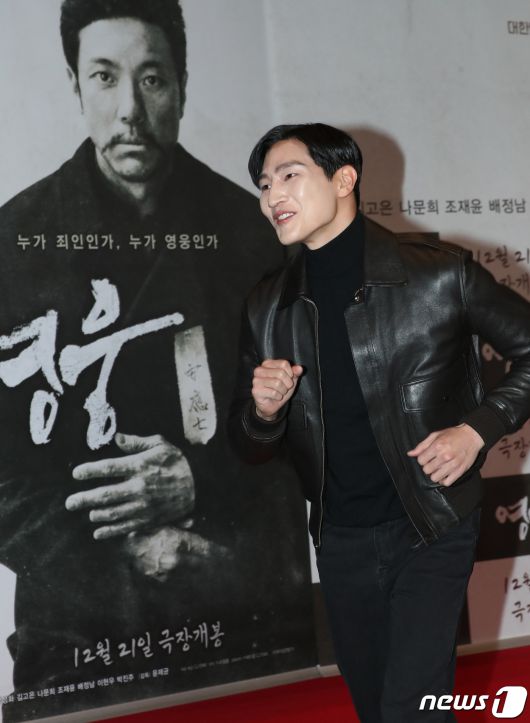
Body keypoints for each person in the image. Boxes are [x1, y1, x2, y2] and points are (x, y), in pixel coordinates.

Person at [0, 4, 313, 721]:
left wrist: (199, 480)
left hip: (237, 603)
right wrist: (131, 555)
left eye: (152, 80)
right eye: (104, 78)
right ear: (75, 85)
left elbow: (311, 424)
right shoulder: (13, 243)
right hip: (77, 628)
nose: (129, 112)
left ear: (182, 85)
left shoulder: (254, 237)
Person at [229, 122, 530, 722]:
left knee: (411, 709)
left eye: (289, 176)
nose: (272, 196)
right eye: (264, 185)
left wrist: (477, 430)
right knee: (376, 709)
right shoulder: (267, 305)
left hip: (431, 525)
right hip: (340, 537)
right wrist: (263, 412)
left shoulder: (439, 275)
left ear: (344, 179)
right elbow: (248, 446)